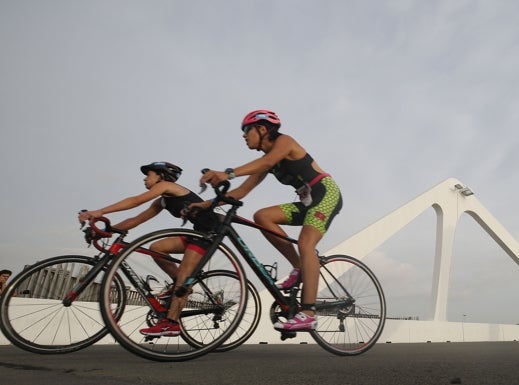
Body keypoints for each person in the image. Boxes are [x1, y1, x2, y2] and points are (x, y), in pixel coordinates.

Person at [197, 109, 343, 331]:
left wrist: (228, 172)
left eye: (247, 131)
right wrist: (207, 204)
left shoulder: (284, 142)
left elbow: (267, 162)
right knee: (262, 216)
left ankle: (308, 313)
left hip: (326, 193)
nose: (244, 136)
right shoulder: (265, 162)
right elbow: (241, 192)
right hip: (308, 203)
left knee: (306, 243)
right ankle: (298, 267)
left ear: (262, 129)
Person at [78, 162, 217, 337]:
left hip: (210, 233)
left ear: (162, 176)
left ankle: (171, 323)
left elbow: (136, 201)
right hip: (197, 232)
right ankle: (179, 286)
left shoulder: (168, 186)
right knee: (157, 248)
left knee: (184, 275)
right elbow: (135, 220)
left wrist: (100, 212)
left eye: (148, 175)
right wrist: (104, 232)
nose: (145, 178)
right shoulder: (162, 201)